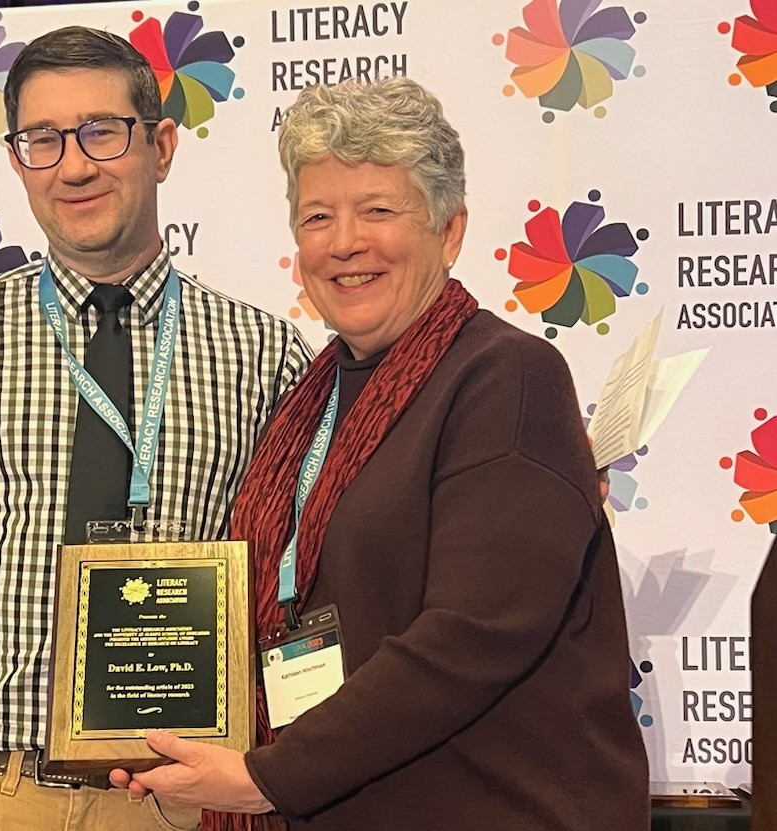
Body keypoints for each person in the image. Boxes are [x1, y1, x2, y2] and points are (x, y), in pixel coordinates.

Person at [110, 77, 650, 830]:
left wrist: (270, 776)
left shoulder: (506, 376)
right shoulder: (314, 396)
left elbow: (473, 633)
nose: (344, 242)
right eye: (318, 216)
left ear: (449, 232)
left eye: (378, 211)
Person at [0, 26, 310, 831]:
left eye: (100, 132)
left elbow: (297, 582)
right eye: (42, 140)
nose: (74, 166)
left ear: (161, 146)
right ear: (17, 161)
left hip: (174, 803)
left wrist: (288, 772)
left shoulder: (262, 352)